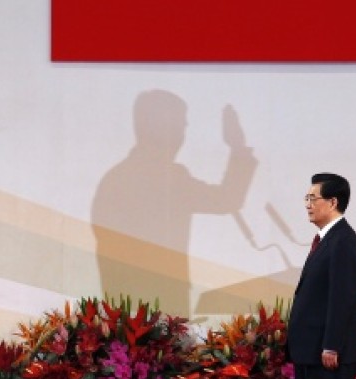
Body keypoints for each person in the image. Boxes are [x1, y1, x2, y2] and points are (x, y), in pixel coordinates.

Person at [91, 91, 256, 318]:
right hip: (161, 307)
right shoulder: (168, 178)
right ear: (161, 127)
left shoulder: (113, 178)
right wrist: (238, 147)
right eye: (180, 125)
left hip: (124, 312)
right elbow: (227, 198)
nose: (183, 134)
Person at [286, 172, 356, 379]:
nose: (307, 204)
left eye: (313, 198)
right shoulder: (327, 240)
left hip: (327, 354)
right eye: (306, 198)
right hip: (311, 351)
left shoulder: (343, 240)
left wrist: (331, 345)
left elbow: (342, 297)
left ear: (332, 202)